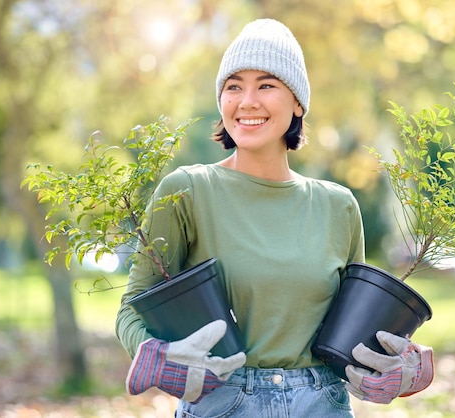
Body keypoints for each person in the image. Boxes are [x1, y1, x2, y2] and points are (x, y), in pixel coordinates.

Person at [115, 18, 434, 417]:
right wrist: (157, 357)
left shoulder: (339, 206)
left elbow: (356, 335)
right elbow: (133, 307)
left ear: (298, 102)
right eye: (234, 86)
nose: (247, 101)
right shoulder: (188, 190)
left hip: (322, 404)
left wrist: (398, 368)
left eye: (266, 85)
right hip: (223, 404)